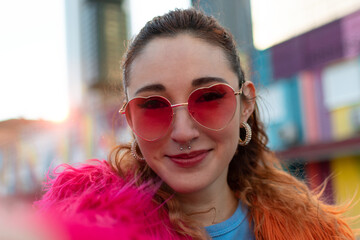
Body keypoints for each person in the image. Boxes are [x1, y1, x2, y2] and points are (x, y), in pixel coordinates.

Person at [36, 8, 355, 240]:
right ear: (131, 120)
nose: (183, 132)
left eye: (209, 98)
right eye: (152, 105)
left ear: (245, 105)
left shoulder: (312, 231)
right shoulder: (88, 228)